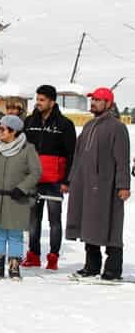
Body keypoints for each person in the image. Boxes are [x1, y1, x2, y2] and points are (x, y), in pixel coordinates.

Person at [65, 87, 130, 281]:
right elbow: (78, 156)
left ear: (108, 103)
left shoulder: (118, 127)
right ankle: (92, 265)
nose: (93, 103)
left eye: (98, 100)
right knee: (88, 224)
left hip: (107, 187)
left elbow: (122, 159)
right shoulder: (88, 126)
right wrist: (72, 179)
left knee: (111, 225)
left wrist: (123, 185)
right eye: (92, 99)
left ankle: (112, 269)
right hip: (86, 185)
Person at [0, 115, 42, 281]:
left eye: (3, 129)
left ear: (13, 131)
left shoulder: (28, 149)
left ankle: (14, 268)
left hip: (16, 200)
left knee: (15, 234)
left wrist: (22, 188)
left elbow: (36, 172)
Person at [22, 84, 76, 271]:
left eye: (42, 100)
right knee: (33, 220)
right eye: (37, 99)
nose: (38, 103)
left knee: (54, 220)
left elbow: (71, 154)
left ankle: (53, 256)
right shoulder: (29, 122)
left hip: (55, 181)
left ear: (52, 102)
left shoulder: (65, 125)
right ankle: (33, 254)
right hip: (33, 179)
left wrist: (66, 180)